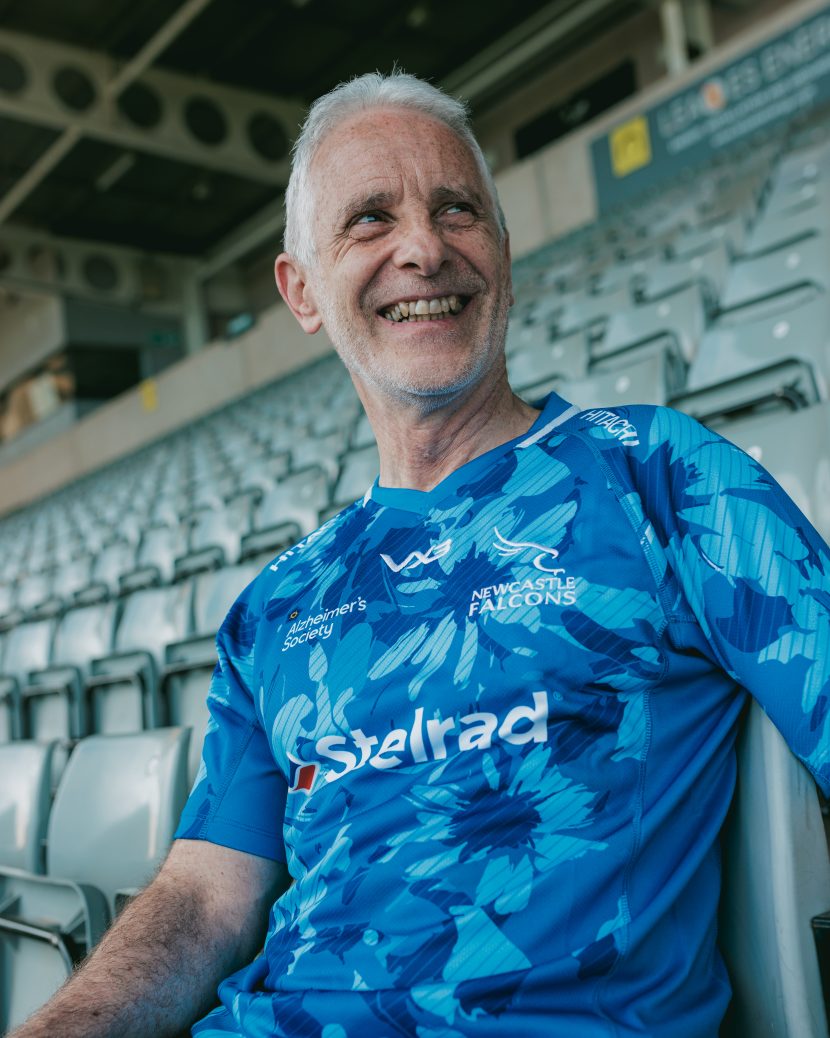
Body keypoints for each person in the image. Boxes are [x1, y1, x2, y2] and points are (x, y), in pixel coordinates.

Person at [12, 71, 830, 1038]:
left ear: (504, 253)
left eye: (457, 208)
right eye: (369, 220)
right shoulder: (277, 605)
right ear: (302, 290)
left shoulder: (658, 474)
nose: (424, 248)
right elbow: (202, 897)